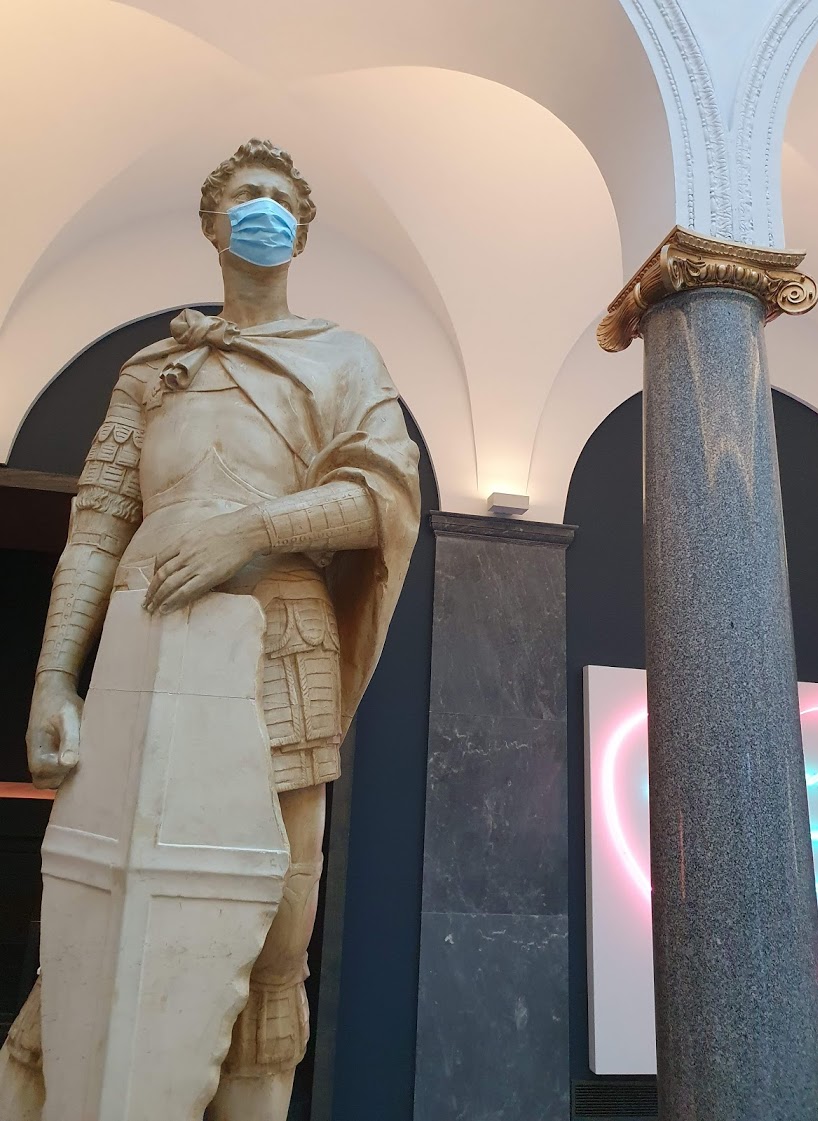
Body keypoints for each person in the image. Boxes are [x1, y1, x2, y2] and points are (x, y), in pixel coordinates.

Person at [1, 138, 420, 1120]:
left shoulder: (343, 357)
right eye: (244, 195)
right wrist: (55, 676)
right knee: (101, 912)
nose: (261, 208)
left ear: (300, 232)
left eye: (278, 198)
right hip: (142, 652)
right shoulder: (154, 368)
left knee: (273, 944)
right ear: (212, 223)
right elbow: (100, 522)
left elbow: (381, 495)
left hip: (280, 646)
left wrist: (255, 528)